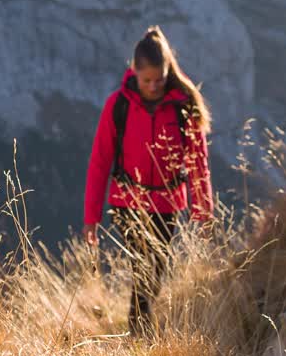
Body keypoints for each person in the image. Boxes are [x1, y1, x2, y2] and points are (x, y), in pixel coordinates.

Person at [82, 26, 214, 336]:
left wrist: (203, 212)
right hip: (127, 201)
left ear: (168, 72)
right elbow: (99, 162)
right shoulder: (118, 106)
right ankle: (139, 333)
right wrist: (91, 218)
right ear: (133, 71)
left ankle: (140, 330)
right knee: (144, 267)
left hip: (167, 204)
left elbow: (199, 164)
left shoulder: (184, 106)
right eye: (146, 80)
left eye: (159, 79)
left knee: (156, 271)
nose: (153, 86)